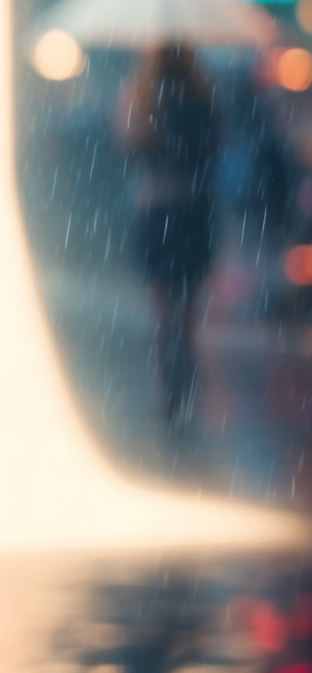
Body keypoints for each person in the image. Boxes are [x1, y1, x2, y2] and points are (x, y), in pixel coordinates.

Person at [114, 42, 218, 429]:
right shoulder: (200, 98)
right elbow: (214, 148)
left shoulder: (144, 99)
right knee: (187, 312)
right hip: (192, 211)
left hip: (156, 210)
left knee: (163, 315)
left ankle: (166, 388)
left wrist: (135, 101)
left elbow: (126, 143)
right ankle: (184, 385)